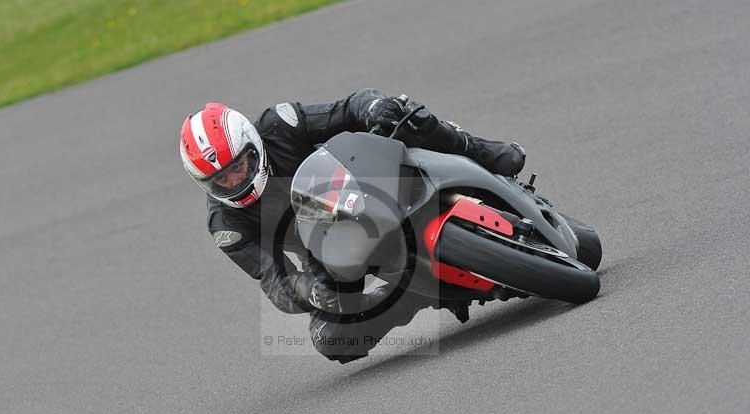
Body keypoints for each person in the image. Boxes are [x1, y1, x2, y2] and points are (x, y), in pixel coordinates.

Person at [179, 89, 526, 363]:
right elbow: (273, 279)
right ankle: (413, 296)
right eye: (221, 179)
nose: (235, 179)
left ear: (251, 143)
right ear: (205, 183)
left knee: (400, 110)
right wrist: (309, 290)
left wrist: (374, 107)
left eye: (240, 164)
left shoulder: (279, 125)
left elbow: (348, 108)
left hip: (364, 181)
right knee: (331, 339)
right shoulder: (225, 224)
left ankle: (482, 153)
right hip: (329, 251)